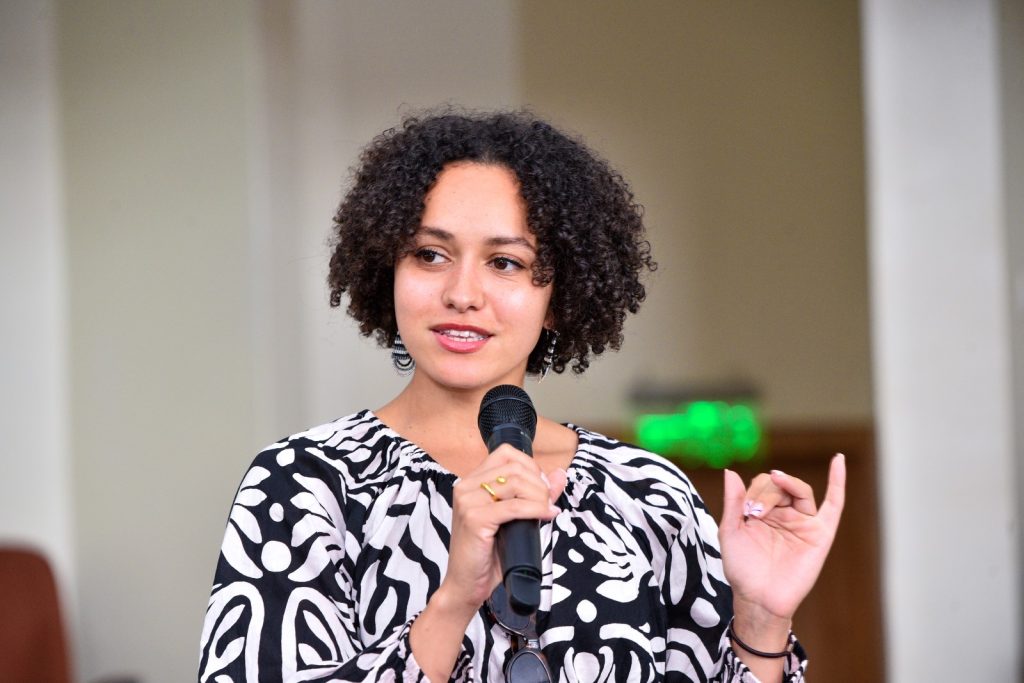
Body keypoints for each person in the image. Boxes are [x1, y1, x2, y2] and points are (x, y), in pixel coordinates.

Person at [197, 110, 845, 683]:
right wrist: (453, 599)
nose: (462, 292)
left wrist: (762, 620)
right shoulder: (303, 484)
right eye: (429, 254)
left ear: (559, 297)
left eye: (504, 262)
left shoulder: (651, 497)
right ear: (384, 269)